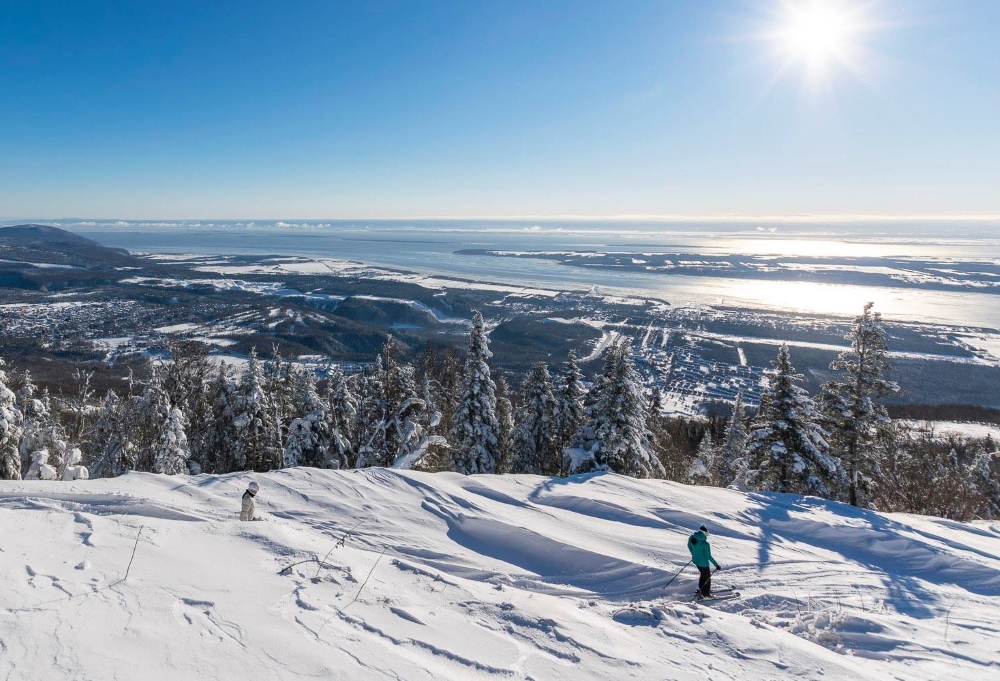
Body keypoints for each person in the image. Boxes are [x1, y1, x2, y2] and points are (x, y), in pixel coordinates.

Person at [688, 523, 721, 599]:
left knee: (703, 574)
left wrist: (694, 553)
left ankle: (701, 589)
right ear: (704, 533)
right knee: (707, 577)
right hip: (703, 563)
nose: (707, 535)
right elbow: (708, 556)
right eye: (706, 534)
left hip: (696, 561)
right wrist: (716, 565)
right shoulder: (705, 544)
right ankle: (706, 594)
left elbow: (689, 545)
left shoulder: (692, 537)